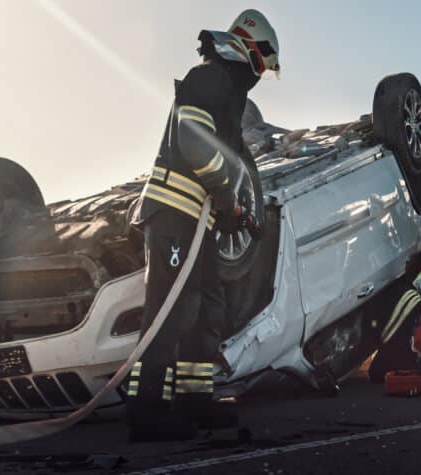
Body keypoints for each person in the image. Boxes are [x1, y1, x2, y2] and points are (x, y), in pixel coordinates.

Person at [126, 9, 279, 442]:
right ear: (250, 53)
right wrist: (227, 194)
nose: (259, 77)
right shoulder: (209, 78)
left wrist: (228, 208)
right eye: (261, 67)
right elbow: (195, 141)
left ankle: (195, 398)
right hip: (175, 210)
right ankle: (146, 408)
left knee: (204, 309)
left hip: (198, 220)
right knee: (169, 310)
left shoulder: (226, 91)